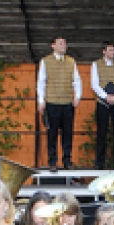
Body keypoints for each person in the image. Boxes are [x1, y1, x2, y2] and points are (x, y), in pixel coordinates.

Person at [37, 36, 82, 171]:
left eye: (64, 43)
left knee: (68, 133)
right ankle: (52, 161)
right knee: (52, 133)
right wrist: (41, 100)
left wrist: (77, 96)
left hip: (67, 102)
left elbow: (77, 80)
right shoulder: (46, 61)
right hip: (52, 102)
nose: (64, 45)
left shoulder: (71, 61)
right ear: (53, 45)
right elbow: (41, 82)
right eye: (60, 43)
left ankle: (67, 160)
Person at [90, 41, 114, 170]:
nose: (112, 53)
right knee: (102, 132)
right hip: (102, 102)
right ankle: (100, 162)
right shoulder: (96, 64)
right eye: (110, 50)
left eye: (113, 50)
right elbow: (94, 84)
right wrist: (106, 97)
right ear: (104, 51)